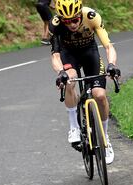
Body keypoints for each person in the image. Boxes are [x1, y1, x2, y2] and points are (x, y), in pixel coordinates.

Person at [49, 0, 120, 164]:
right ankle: (74, 126)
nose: (72, 24)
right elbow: (55, 56)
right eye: (67, 21)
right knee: (70, 80)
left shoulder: (91, 16)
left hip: (90, 53)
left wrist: (112, 65)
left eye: (75, 19)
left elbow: (108, 46)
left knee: (100, 95)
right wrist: (61, 73)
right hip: (69, 55)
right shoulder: (56, 24)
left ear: (80, 14)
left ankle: (105, 138)